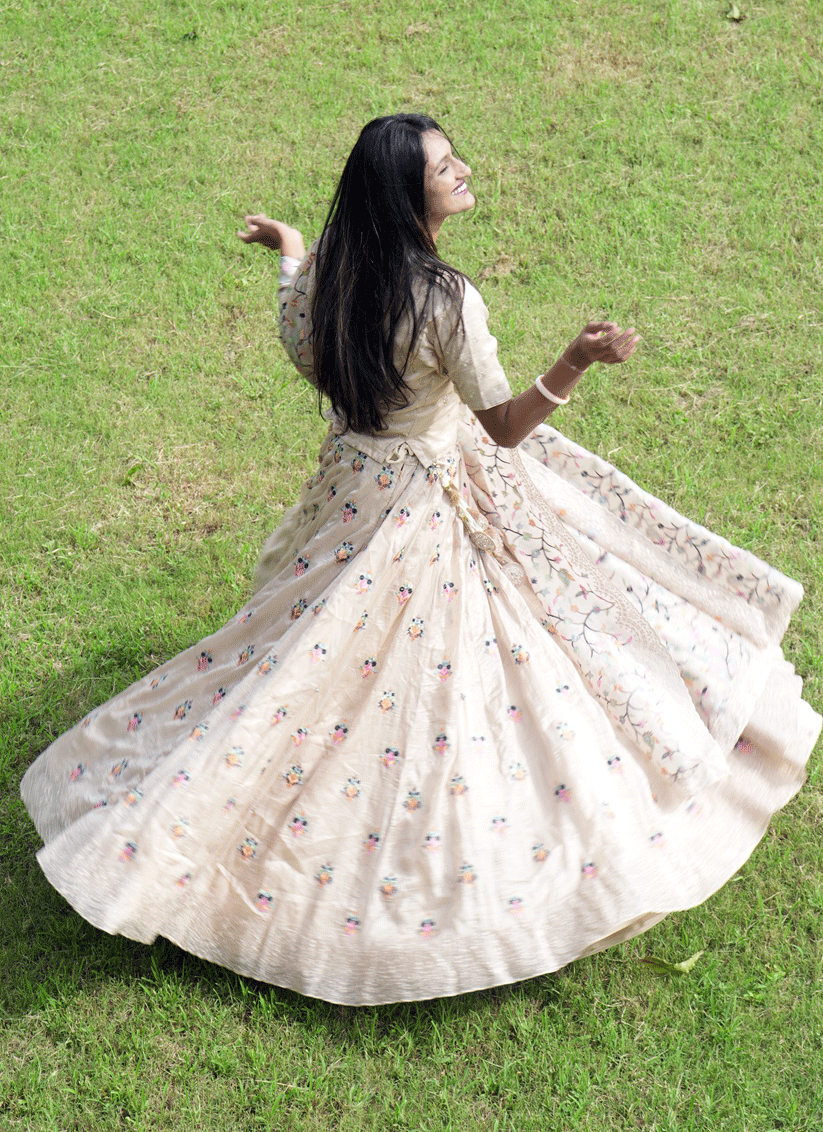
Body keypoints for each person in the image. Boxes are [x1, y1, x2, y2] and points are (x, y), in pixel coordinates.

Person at [21, 114, 820, 1006]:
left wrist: (291, 250)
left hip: (350, 488)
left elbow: (299, 333)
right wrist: (576, 359)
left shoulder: (335, 275)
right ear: (409, 194)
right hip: (426, 500)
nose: (463, 169)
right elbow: (502, 427)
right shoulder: (444, 299)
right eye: (445, 167)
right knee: (459, 666)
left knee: (303, 651)